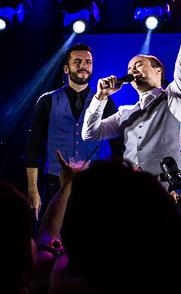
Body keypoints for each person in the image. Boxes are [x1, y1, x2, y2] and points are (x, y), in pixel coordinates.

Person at [82, 0, 181, 175]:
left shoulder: (175, 98)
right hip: (131, 191)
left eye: (138, 65)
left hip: (166, 191)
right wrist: (100, 98)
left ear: (158, 71)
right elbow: (90, 134)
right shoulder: (125, 113)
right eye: (130, 68)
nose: (132, 70)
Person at [24, 43, 119, 220]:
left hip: (91, 184)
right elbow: (33, 148)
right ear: (66, 68)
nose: (84, 65)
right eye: (77, 61)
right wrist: (32, 189)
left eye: (88, 62)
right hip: (55, 183)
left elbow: (118, 148)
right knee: (50, 238)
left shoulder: (106, 101)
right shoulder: (47, 101)